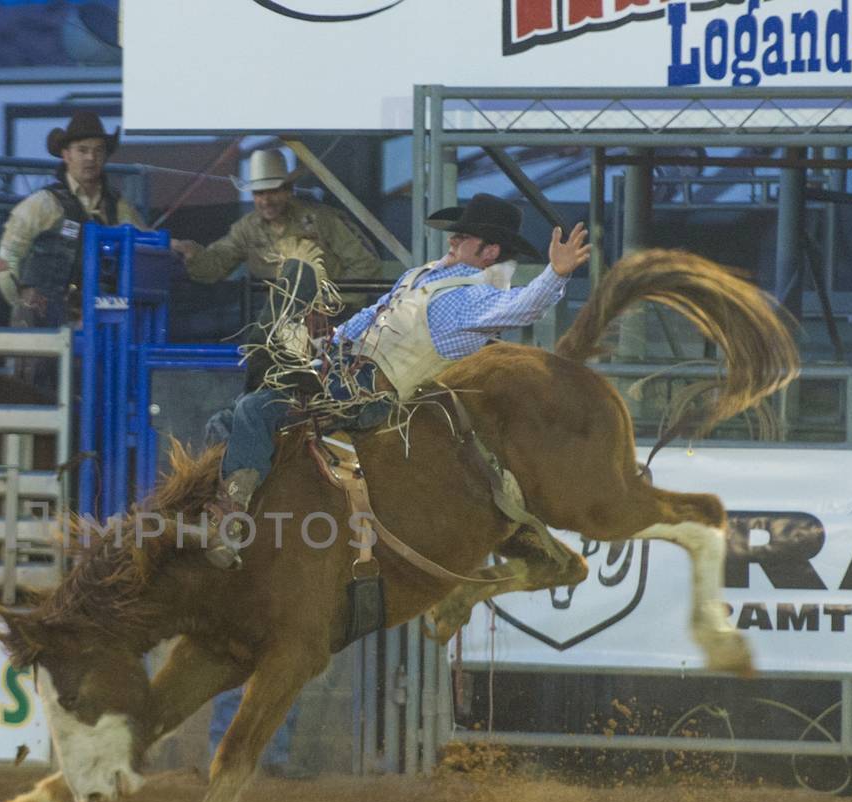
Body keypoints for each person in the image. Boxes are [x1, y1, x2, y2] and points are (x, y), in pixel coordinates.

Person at [204, 194, 592, 570]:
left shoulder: (474, 299)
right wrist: (325, 344)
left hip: (370, 394)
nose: (453, 239)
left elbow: (521, 307)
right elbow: (372, 314)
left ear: (490, 252)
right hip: (338, 370)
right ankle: (237, 507)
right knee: (227, 418)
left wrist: (555, 274)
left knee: (255, 409)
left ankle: (231, 524)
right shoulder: (423, 276)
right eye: (456, 233)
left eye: (464, 236)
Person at [0, 111, 147, 385]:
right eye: (82, 150)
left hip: (96, 323)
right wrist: (24, 304)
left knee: (95, 391)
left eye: (98, 151)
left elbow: (145, 245)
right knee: (35, 395)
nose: (90, 158)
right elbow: (5, 263)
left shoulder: (119, 208)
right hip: (43, 325)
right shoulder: (42, 204)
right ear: (66, 155)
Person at [177, 148, 381, 333]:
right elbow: (216, 264)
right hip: (278, 325)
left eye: (273, 191)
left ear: (288, 190)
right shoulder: (247, 229)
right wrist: (193, 254)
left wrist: (327, 307)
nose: (266, 201)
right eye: (259, 193)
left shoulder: (323, 219)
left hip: (339, 323)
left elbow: (365, 264)